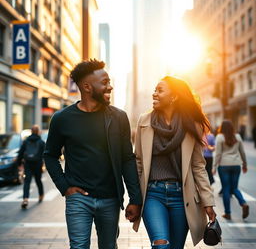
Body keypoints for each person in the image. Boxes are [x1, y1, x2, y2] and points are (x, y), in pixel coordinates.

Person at [44, 59, 142, 249]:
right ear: (87, 87)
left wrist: (135, 198)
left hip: (110, 198)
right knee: (79, 246)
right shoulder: (62, 119)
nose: (110, 87)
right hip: (78, 199)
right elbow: (50, 155)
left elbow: (127, 160)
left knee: (108, 246)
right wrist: (65, 187)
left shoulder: (118, 117)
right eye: (105, 83)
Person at [133, 76, 216, 249]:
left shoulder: (191, 125)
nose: (154, 94)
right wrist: (135, 199)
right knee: (161, 245)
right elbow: (138, 162)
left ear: (174, 96)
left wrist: (208, 202)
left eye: (160, 90)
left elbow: (198, 166)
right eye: (154, 90)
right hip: (152, 195)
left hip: (182, 196)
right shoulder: (144, 121)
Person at [212, 120, 249, 220]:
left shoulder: (220, 137)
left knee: (226, 189)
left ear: (222, 127)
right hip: (236, 165)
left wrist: (214, 166)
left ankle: (227, 213)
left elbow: (218, 153)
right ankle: (243, 203)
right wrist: (244, 164)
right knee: (234, 188)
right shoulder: (237, 137)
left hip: (224, 165)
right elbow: (242, 152)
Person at [17, 125, 45, 209]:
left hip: (28, 163)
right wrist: (44, 163)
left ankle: (25, 199)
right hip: (37, 164)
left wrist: (19, 164)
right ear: (38, 131)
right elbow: (45, 154)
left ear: (31, 131)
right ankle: (41, 195)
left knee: (27, 181)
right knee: (38, 180)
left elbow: (20, 153)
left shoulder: (26, 141)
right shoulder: (41, 142)